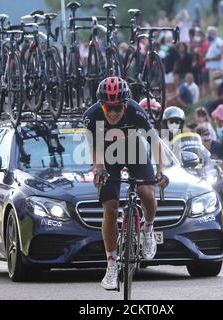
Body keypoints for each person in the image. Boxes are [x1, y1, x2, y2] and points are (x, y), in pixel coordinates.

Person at [82, 77, 167, 290]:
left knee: (147, 192)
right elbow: (94, 147)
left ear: (125, 104)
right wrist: (99, 169)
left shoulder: (136, 112)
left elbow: (156, 142)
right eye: (107, 107)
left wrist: (160, 171)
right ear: (101, 104)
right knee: (110, 209)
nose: (112, 112)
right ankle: (111, 264)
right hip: (107, 156)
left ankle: (147, 229)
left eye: (117, 107)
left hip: (134, 151)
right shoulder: (91, 116)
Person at [205, 26, 223, 93]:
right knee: (213, 87)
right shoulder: (212, 42)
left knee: (218, 86)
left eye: (209, 33)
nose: (207, 35)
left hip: (217, 68)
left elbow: (220, 56)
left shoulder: (218, 42)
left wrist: (209, 59)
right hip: (212, 67)